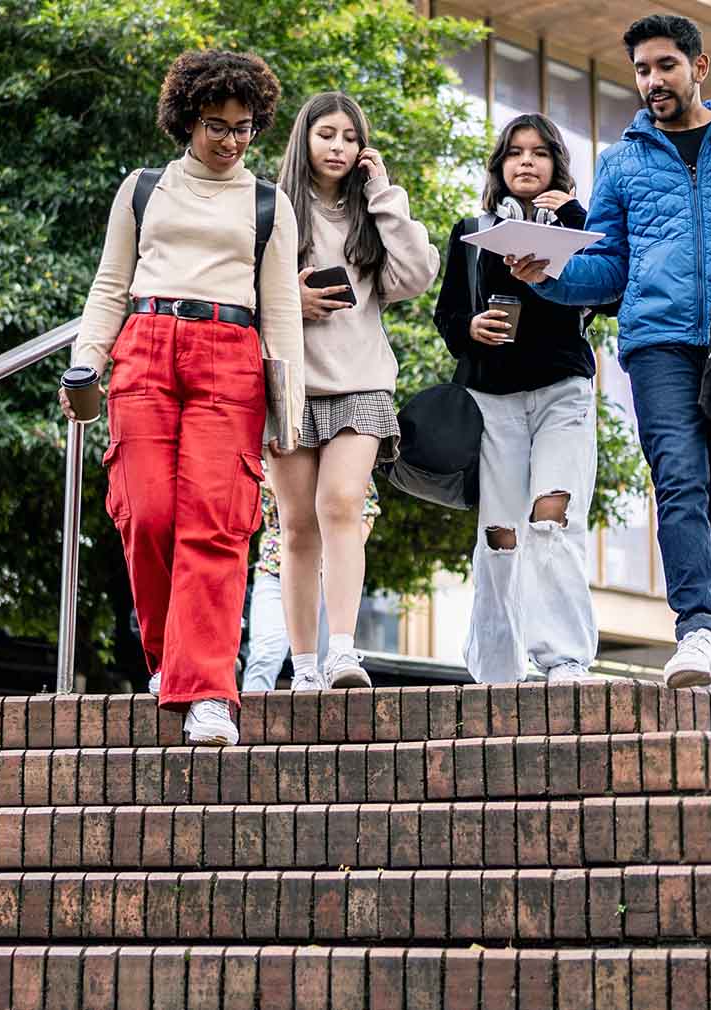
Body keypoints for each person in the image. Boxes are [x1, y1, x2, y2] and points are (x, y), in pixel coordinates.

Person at [505, 13, 711, 696]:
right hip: (657, 341)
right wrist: (548, 276)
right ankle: (697, 628)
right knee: (679, 475)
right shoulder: (621, 160)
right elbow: (609, 269)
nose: (653, 81)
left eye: (665, 66)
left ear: (699, 68)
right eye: (642, 70)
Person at [67, 49, 301, 747]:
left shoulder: (268, 203)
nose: (231, 140)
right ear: (185, 120)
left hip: (231, 356)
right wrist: (86, 362)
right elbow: (110, 283)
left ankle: (206, 694)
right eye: (216, 125)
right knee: (146, 512)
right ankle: (175, 661)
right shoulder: (143, 189)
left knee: (214, 521)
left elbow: (282, 308)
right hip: (144, 342)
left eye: (244, 127)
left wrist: (287, 411)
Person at [267, 91, 440, 691]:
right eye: (326, 135)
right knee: (295, 527)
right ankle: (306, 665)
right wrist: (293, 300)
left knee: (342, 504)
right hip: (287, 384)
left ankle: (344, 651)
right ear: (304, 140)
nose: (337, 147)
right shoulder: (272, 207)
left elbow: (416, 275)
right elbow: (240, 291)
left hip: (361, 381)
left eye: (348, 136)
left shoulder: (372, 211)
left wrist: (385, 192)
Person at [433, 113, 603, 685]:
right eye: (514, 153)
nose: (526, 162)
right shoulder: (471, 230)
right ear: (500, 167)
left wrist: (573, 214)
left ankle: (564, 659)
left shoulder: (580, 225)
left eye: (539, 152)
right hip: (491, 396)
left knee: (552, 515)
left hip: (563, 389)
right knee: (500, 533)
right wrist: (470, 328)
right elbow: (447, 313)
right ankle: (498, 669)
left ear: (556, 163)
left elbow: (606, 292)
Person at [240, 484, 379, 692]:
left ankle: (327, 717)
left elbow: (366, 509)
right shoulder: (266, 460)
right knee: (264, 655)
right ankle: (252, 719)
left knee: (328, 662)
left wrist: (340, 554)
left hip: (327, 575)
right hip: (273, 568)